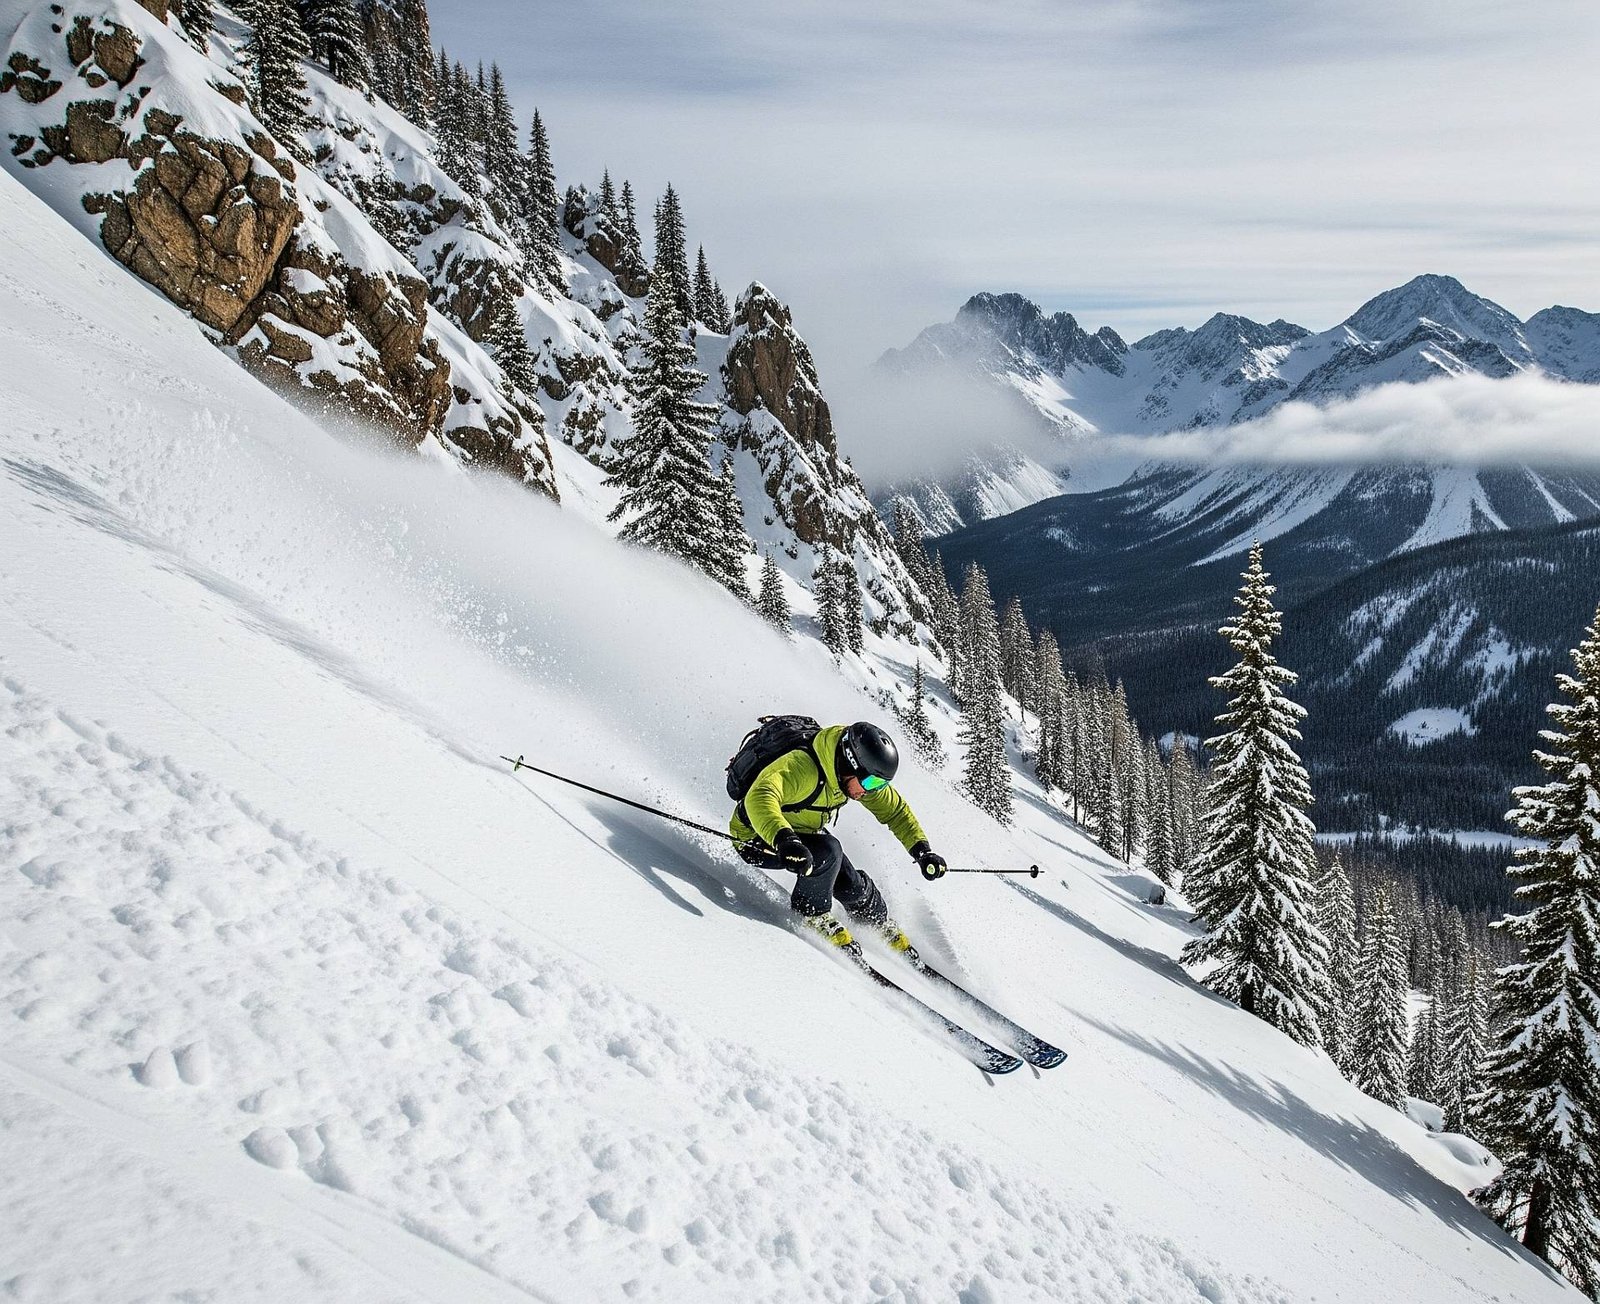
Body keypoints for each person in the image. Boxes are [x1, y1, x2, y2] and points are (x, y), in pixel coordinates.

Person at [730, 720, 948, 952]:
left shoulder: (858, 780)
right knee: (828, 852)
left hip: (799, 831)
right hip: (755, 837)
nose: (872, 790)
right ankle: (812, 914)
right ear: (850, 764)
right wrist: (784, 839)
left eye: (880, 784)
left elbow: (895, 812)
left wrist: (922, 851)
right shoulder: (802, 767)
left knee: (850, 882)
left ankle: (876, 921)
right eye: (872, 782)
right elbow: (760, 796)